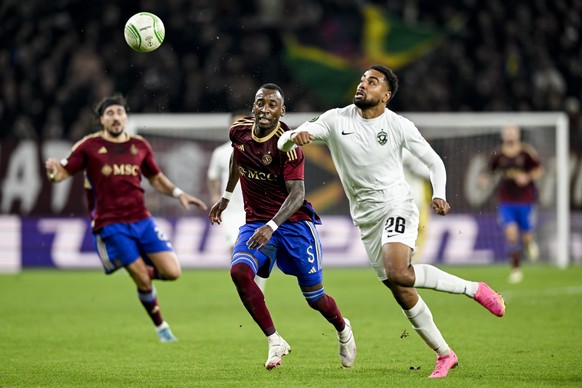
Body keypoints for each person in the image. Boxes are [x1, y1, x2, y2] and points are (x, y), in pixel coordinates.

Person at [278, 65, 506, 379]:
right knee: (400, 287)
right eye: (361, 80)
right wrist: (293, 139)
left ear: (385, 95)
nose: (363, 85)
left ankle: (474, 288)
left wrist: (438, 193)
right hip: (365, 220)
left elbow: (433, 161)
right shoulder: (335, 119)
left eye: (372, 82)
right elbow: (283, 141)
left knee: (399, 271)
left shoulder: (399, 125)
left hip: (397, 204)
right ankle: (445, 354)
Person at [208, 83, 356, 370]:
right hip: (256, 224)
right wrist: (225, 199)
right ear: (253, 107)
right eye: (260, 103)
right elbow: (236, 158)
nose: (265, 108)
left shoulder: (287, 147)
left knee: (315, 298)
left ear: (282, 111)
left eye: (272, 104)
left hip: (293, 226)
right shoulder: (238, 132)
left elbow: (298, 194)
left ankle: (342, 328)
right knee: (239, 271)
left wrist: (272, 226)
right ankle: (275, 340)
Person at [45, 94, 208, 342]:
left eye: (119, 113)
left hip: (142, 219)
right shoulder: (88, 146)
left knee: (173, 272)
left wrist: (178, 194)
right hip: (110, 223)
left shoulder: (140, 145)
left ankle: (137, 268)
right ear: (101, 119)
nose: (115, 117)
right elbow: (61, 174)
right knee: (142, 277)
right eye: (109, 114)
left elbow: (155, 178)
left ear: (125, 117)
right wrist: (52, 173)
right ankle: (161, 327)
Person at [207, 111, 268, 292]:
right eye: (237, 124)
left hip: (255, 210)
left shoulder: (262, 149)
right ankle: (247, 283)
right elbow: (213, 178)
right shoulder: (221, 152)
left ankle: (257, 288)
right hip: (231, 210)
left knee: (257, 249)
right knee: (236, 248)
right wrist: (214, 195)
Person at [480, 124, 543, 283]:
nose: (509, 135)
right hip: (506, 200)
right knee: (511, 234)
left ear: (517, 134)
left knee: (526, 236)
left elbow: (539, 170)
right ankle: (516, 269)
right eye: (507, 132)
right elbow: (489, 170)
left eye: (512, 132)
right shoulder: (498, 154)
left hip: (525, 200)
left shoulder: (526, 152)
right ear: (503, 135)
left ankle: (529, 244)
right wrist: (485, 179)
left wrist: (527, 177)